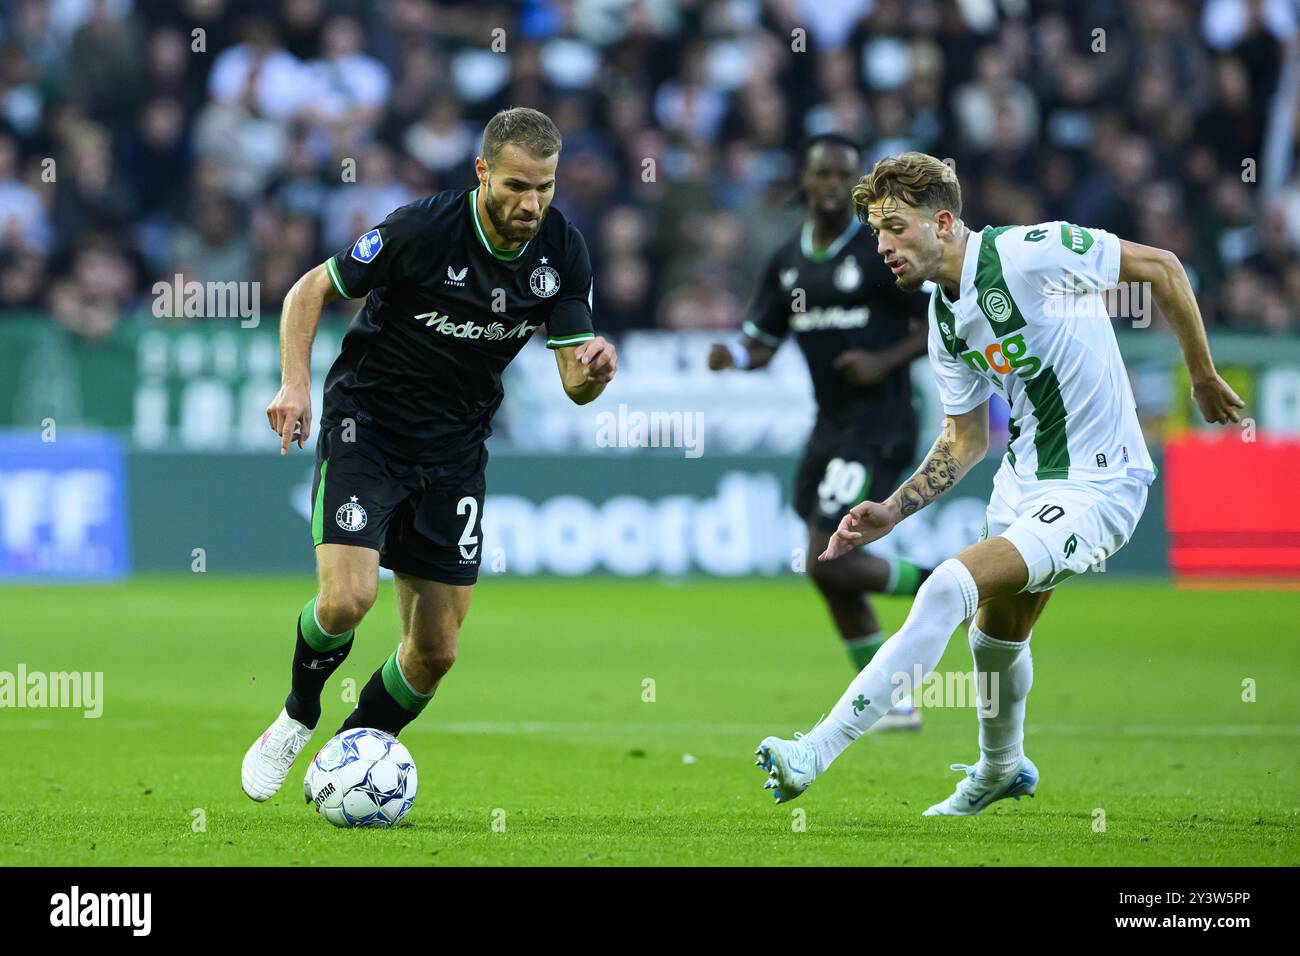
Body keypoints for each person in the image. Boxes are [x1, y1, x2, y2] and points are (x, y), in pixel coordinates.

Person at [755, 151, 1244, 815]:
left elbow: (1161, 267)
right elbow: (965, 439)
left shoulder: (1032, 252)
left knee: (946, 589)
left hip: (1099, 486)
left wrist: (1202, 374)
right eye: (874, 231)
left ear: (945, 222)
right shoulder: (944, 318)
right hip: (1023, 481)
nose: (882, 245)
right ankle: (1001, 767)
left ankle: (814, 750)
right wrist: (892, 511)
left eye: (895, 227)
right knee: (996, 637)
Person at [242, 107, 617, 802]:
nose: (531, 204)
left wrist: (591, 374)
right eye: (515, 187)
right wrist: (295, 384)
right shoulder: (421, 228)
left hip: (456, 452)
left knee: (436, 652)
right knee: (348, 599)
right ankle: (296, 715)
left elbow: (573, 384)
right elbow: (310, 289)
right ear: (482, 172)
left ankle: (350, 751)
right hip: (368, 429)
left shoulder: (563, 252)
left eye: (545, 187)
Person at [709, 134, 930, 728]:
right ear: (804, 183)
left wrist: (883, 362)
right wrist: (734, 355)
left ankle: (948, 585)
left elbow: (935, 323)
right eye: (822, 173)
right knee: (831, 573)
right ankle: (895, 701)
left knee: (826, 560)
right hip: (829, 427)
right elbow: (761, 342)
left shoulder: (881, 252)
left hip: (881, 422)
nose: (832, 184)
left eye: (843, 174)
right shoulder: (788, 263)